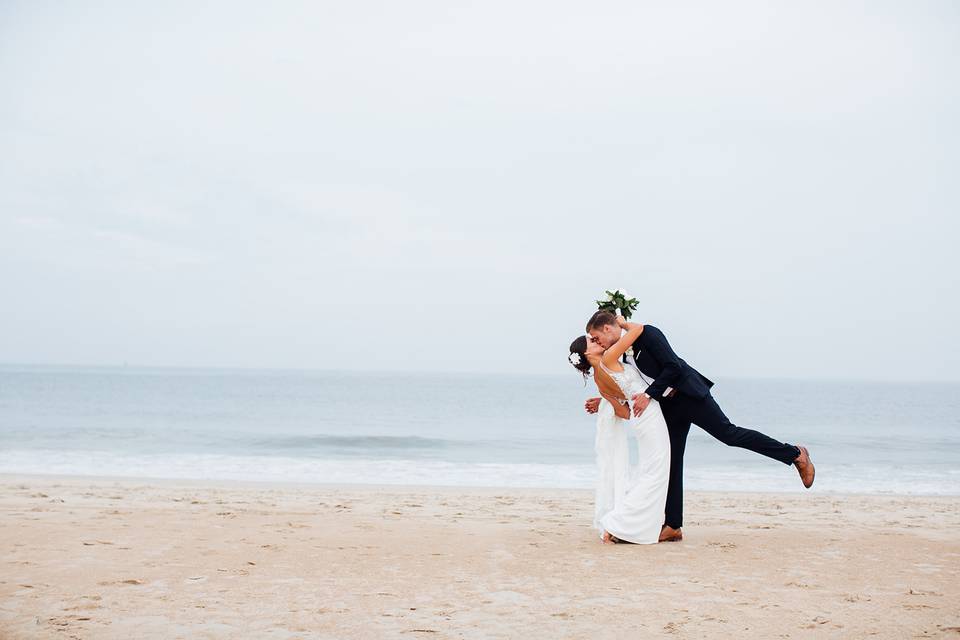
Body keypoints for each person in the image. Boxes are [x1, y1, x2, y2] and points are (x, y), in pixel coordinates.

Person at [584, 310, 815, 541]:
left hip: (689, 395)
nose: (598, 343)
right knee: (672, 460)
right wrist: (605, 401)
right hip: (668, 407)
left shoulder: (649, 334)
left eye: (596, 337)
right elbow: (632, 383)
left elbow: (672, 367)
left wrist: (649, 395)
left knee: (729, 434)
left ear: (607, 328)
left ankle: (795, 454)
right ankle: (673, 525)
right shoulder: (623, 354)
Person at [568, 316, 670, 544]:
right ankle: (616, 524)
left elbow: (624, 413)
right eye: (592, 342)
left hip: (640, 419)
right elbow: (640, 329)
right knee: (655, 474)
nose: (598, 342)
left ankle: (624, 527)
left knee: (651, 472)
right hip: (650, 415)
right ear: (586, 354)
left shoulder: (599, 382)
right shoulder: (611, 357)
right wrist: (622, 323)